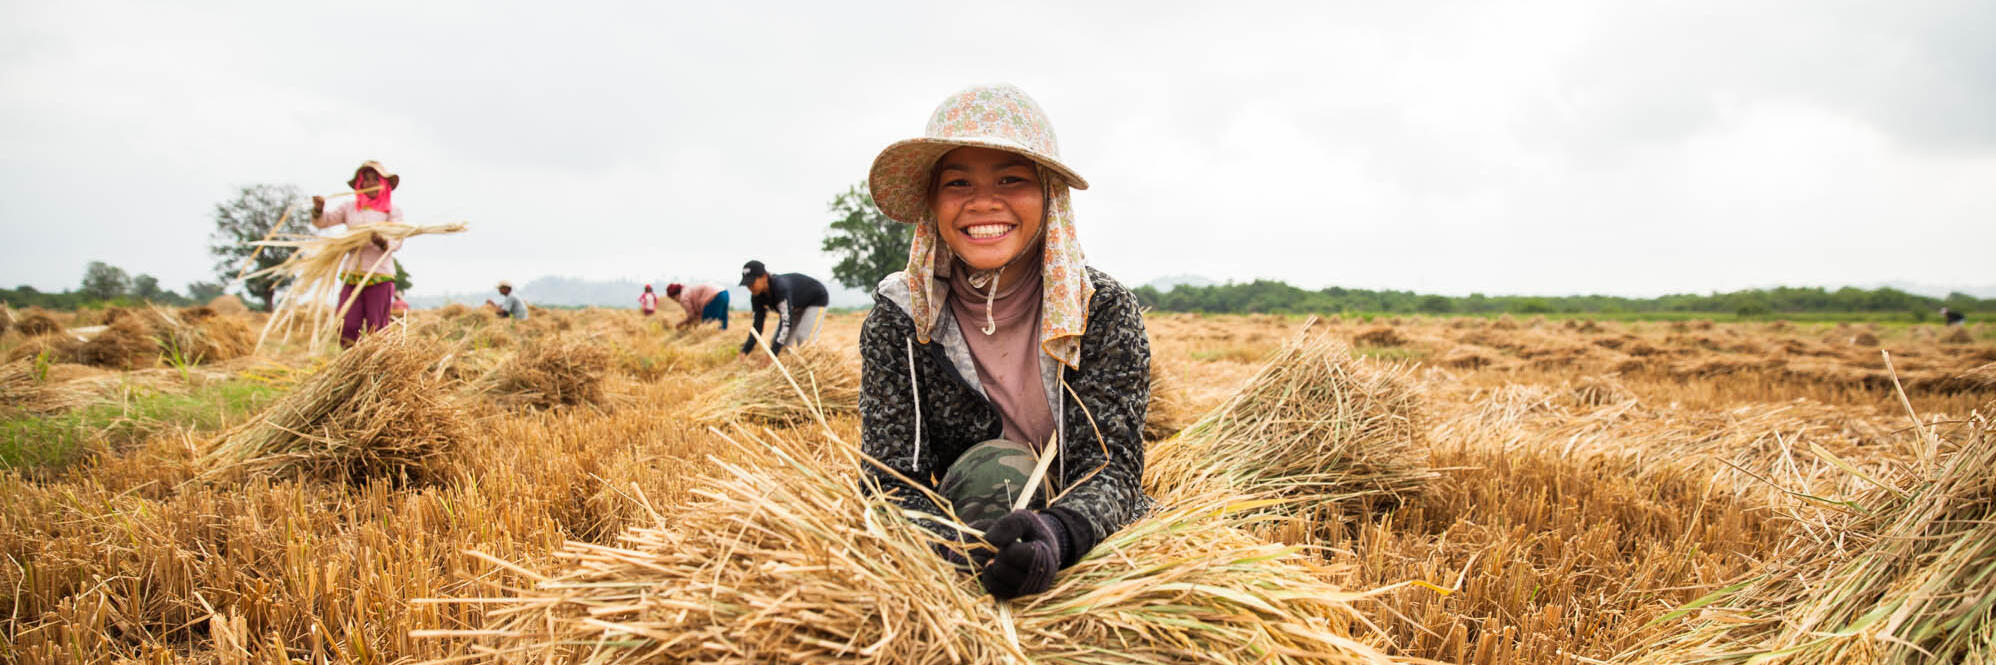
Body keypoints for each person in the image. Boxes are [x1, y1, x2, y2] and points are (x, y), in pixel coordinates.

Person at [856, 84, 1151, 600]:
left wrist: (1055, 536)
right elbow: (890, 480)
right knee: (1000, 469)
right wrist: (951, 550)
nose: (983, 203)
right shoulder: (901, 317)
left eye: (1011, 179)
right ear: (933, 201)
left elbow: (1113, 469)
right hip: (963, 527)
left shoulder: (1100, 309)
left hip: (1081, 534)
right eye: (958, 182)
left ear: (1048, 195)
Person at [310, 160, 404, 347]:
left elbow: (397, 240)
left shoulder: (392, 211)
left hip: (379, 274)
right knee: (346, 324)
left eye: (375, 179)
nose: (370, 183)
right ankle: (351, 359)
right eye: (366, 179)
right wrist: (319, 209)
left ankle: (376, 360)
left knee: (377, 328)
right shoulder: (349, 208)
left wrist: (381, 241)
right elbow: (324, 222)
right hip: (352, 274)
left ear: (384, 183)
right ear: (360, 184)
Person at [737, 261, 827, 359]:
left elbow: (786, 323)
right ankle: (785, 365)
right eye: (747, 284)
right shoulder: (756, 296)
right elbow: (757, 325)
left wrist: (772, 354)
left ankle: (811, 365)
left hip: (815, 299)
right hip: (794, 306)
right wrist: (745, 350)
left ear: (764, 277)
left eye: (752, 283)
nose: (750, 288)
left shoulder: (780, 287)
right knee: (777, 343)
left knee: (804, 339)